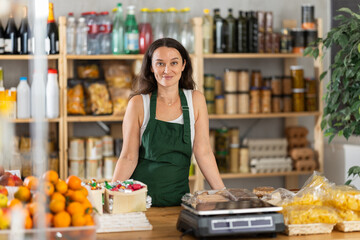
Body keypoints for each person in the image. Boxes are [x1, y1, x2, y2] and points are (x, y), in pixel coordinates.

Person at [112, 38, 225, 207]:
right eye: (160, 64)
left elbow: (204, 152)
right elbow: (128, 157)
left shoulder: (196, 100)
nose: (167, 70)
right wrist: (111, 195)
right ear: (151, 67)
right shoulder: (138, 104)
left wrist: (223, 194)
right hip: (139, 203)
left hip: (179, 203)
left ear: (183, 65)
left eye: (173, 63)